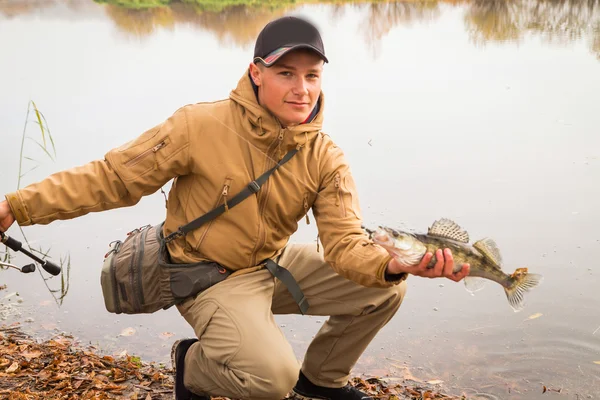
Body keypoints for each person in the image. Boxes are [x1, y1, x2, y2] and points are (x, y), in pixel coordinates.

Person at [0, 16, 469, 400]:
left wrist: (391, 265)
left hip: (272, 264)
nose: (301, 88)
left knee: (384, 291)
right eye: (286, 73)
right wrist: (18, 205)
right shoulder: (198, 125)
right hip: (207, 275)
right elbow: (112, 177)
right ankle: (192, 365)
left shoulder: (327, 157)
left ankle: (322, 379)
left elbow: (345, 244)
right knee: (270, 379)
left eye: (311, 75)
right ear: (255, 73)